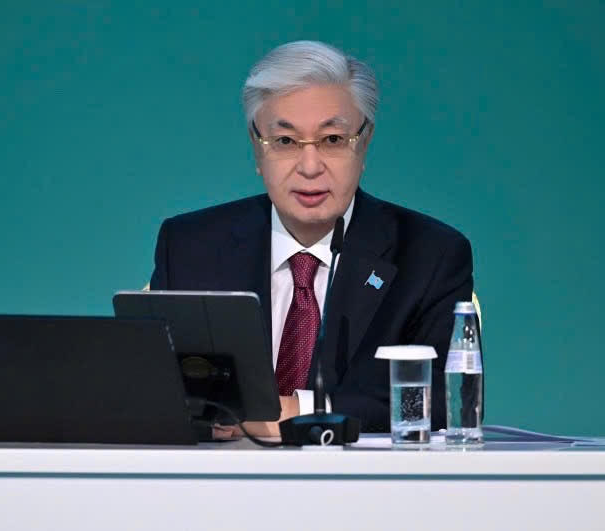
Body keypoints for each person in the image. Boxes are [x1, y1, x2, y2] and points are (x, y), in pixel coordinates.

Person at [150, 41, 473, 436]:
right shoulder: (190, 246)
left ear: (364, 142)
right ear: (257, 147)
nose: (309, 166)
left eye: (332, 140)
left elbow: (442, 398)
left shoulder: (429, 255)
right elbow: (155, 385)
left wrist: (296, 412)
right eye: (285, 142)